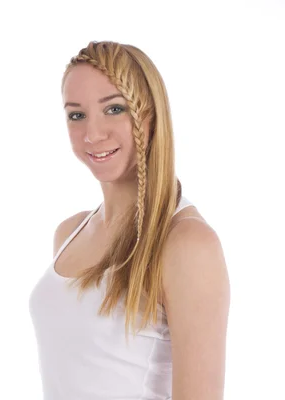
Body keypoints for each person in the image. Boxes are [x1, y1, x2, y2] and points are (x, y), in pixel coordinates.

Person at [29, 41, 230, 399]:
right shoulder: (68, 233)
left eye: (114, 109)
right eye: (77, 115)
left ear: (150, 115)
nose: (93, 134)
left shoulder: (185, 243)